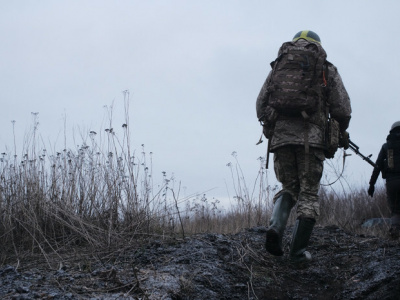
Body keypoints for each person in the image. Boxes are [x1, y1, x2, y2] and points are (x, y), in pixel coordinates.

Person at [256, 30, 352, 265]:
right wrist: (339, 131)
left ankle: (276, 228)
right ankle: (297, 253)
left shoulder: (278, 67)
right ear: (317, 46)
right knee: (308, 193)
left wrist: (273, 126)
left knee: (289, 187)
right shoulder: (325, 69)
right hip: (311, 139)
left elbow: (260, 105)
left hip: (281, 139)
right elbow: (343, 109)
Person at [368, 121, 400, 238]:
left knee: (396, 210)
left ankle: (395, 231)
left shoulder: (386, 146)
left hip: (392, 183)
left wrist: (372, 185)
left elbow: (377, 167)